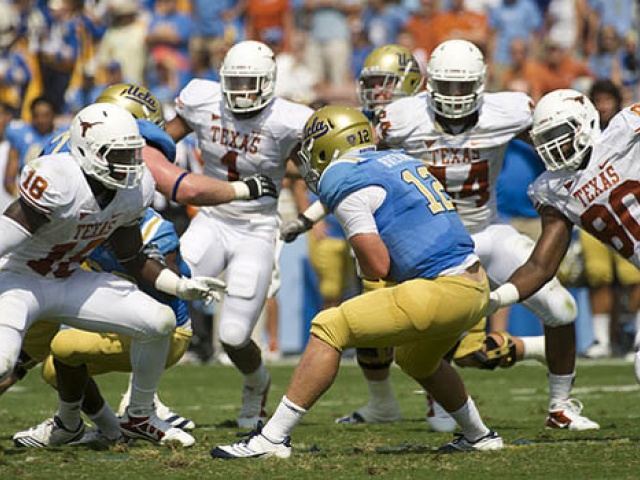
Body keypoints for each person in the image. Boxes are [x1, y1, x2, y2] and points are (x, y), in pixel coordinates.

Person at [211, 105, 503, 459]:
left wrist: (366, 265)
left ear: (327, 145)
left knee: (330, 325)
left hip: (440, 288)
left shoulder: (342, 178)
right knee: (416, 360)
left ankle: (271, 439)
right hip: (474, 285)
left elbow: (377, 265)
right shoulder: (397, 159)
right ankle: (479, 435)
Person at [282, 42, 546, 431]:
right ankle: (435, 419)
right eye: (370, 83)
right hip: (433, 249)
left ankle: (540, 373)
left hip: (459, 241)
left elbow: (351, 192)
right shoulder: (386, 127)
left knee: (462, 344)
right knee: (394, 344)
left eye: (386, 83)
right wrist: (309, 217)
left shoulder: (405, 122)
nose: (378, 93)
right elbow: (353, 185)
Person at [375, 39, 598, 430]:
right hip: (433, 242)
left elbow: (554, 146)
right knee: (438, 333)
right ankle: (439, 402)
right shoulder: (402, 118)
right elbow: (367, 165)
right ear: (430, 85)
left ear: (481, 83)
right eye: (447, 86)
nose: (456, 96)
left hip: (488, 230)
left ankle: (561, 407)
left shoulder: (509, 110)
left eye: (464, 86)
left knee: (562, 307)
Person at [0, 102, 225, 448]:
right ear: (88, 153)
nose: (130, 165)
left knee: (159, 320)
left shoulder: (133, 191)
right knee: (3, 364)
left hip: (70, 280)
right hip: (21, 281)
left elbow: (133, 259)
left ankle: (139, 414)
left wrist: (180, 285)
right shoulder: (58, 179)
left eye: (132, 154)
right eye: (117, 156)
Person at [165, 40, 314, 429]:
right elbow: (162, 144)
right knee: (162, 300)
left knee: (233, 335)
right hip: (212, 219)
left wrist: (312, 214)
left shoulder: (287, 119)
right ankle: (141, 402)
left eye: (251, 82)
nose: (242, 91)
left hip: (256, 228)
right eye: (235, 81)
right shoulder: (202, 99)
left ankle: (257, 383)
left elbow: (316, 174)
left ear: (268, 82)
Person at [487, 88, 640, 384]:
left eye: (559, 134)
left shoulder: (624, 130)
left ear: (585, 122)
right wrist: (495, 298)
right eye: (543, 139)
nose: (552, 146)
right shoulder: (553, 189)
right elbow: (540, 267)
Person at [12, 207, 196, 448]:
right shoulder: (86, 221)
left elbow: (166, 289)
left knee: (65, 346)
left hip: (166, 333)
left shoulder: (155, 231)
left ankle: (139, 414)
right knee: (53, 369)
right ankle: (107, 429)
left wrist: (151, 267)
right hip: (113, 320)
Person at [578, 80, 640, 358]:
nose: (603, 106)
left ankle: (637, 336)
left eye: (607, 100)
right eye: (598, 101)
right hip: (595, 215)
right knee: (598, 275)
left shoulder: (624, 127)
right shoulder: (581, 133)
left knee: (633, 276)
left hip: (628, 211)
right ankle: (602, 340)